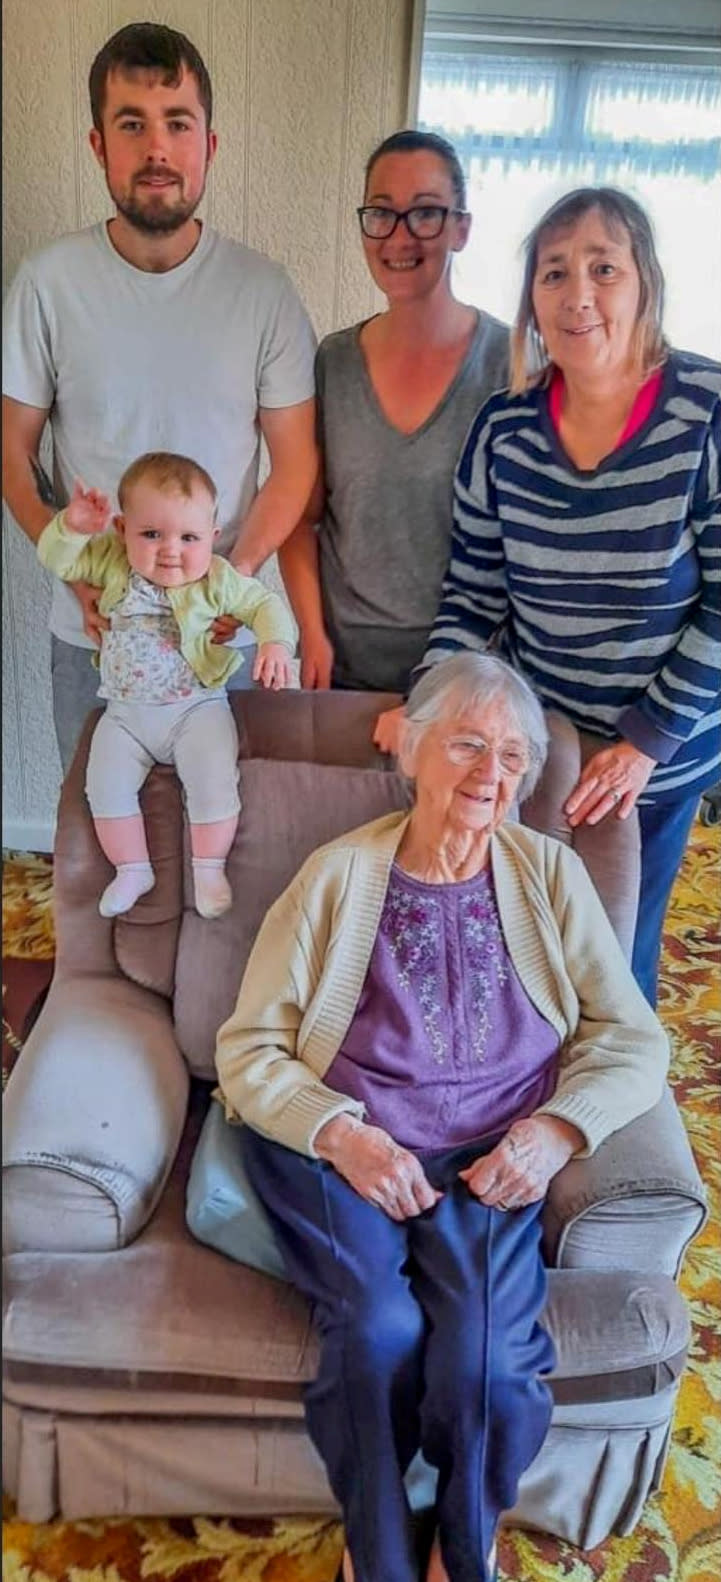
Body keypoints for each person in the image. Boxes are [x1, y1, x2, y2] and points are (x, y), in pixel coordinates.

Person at [214, 651, 668, 1582]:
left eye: (509, 757)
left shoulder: (547, 873)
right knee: (377, 1328)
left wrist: (556, 1131)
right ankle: (376, 1553)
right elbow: (248, 1047)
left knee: (489, 1361)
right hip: (343, 1147)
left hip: (493, 1154)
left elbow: (633, 1038)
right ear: (412, 751)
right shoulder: (336, 876)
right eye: (465, 744)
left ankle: (465, 1549)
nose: (487, 773)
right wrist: (340, 1132)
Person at [417, 187, 720, 1006]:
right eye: (553, 274)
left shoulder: (706, 410)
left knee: (618, 949)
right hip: (537, 740)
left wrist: (643, 742)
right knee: (521, 928)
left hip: (658, 753)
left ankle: (611, 1112)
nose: (577, 294)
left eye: (602, 269)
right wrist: (427, 712)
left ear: (643, 285)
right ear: (531, 302)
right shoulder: (503, 428)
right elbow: (473, 594)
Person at [2, 20, 316, 773]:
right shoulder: (49, 283)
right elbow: (12, 449)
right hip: (94, 635)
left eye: (178, 123)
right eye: (131, 124)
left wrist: (225, 581)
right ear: (97, 145)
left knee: (223, 853)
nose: (156, 149)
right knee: (101, 843)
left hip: (223, 644)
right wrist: (75, 569)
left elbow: (296, 465)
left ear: (208, 144)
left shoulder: (263, 291)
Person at [274, 129, 508, 697]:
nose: (400, 237)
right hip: (339, 673)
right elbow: (299, 520)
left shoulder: (513, 363)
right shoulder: (332, 360)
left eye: (425, 213)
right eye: (381, 213)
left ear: (461, 228)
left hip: (468, 682)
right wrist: (312, 633)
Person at [37, 453, 294, 920]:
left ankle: (210, 869)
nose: (170, 549)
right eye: (151, 534)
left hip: (196, 710)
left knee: (214, 779)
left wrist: (275, 644)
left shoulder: (217, 578)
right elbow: (57, 560)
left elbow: (265, 604)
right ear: (121, 530)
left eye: (189, 537)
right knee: (103, 786)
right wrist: (72, 528)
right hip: (124, 715)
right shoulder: (113, 564)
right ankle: (133, 868)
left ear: (212, 539)